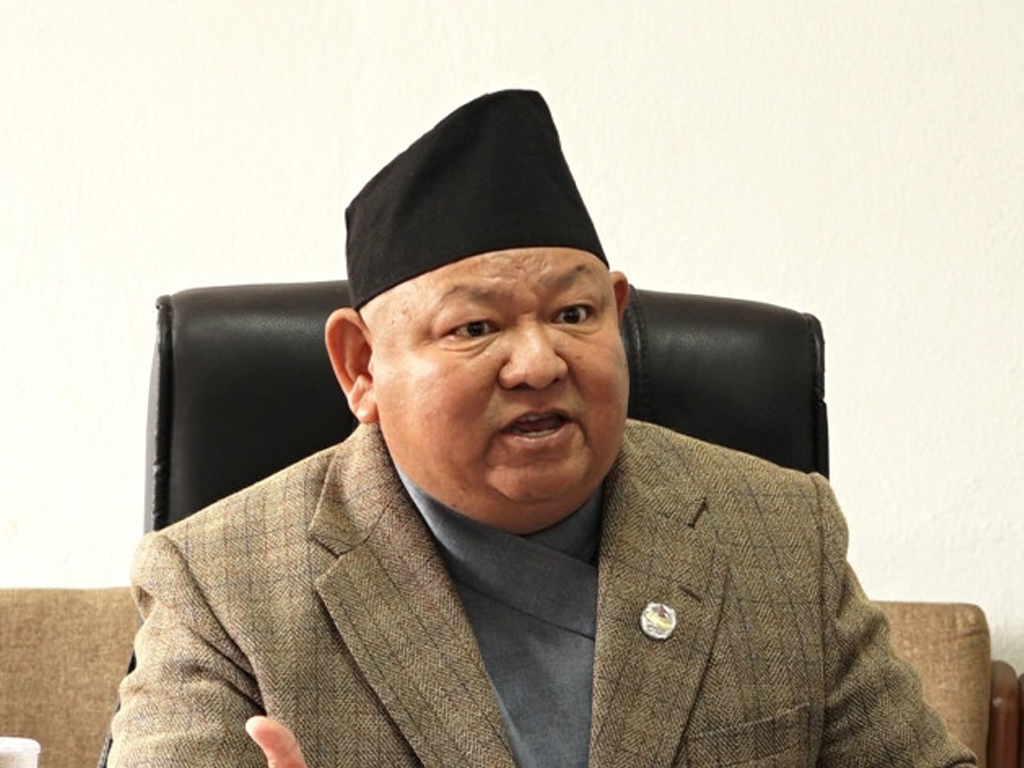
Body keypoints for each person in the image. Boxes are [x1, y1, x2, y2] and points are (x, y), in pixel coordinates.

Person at [108, 90, 975, 768]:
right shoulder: (222, 586)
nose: (538, 363)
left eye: (573, 313)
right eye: (475, 327)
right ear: (361, 366)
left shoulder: (781, 536)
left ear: (619, 313)